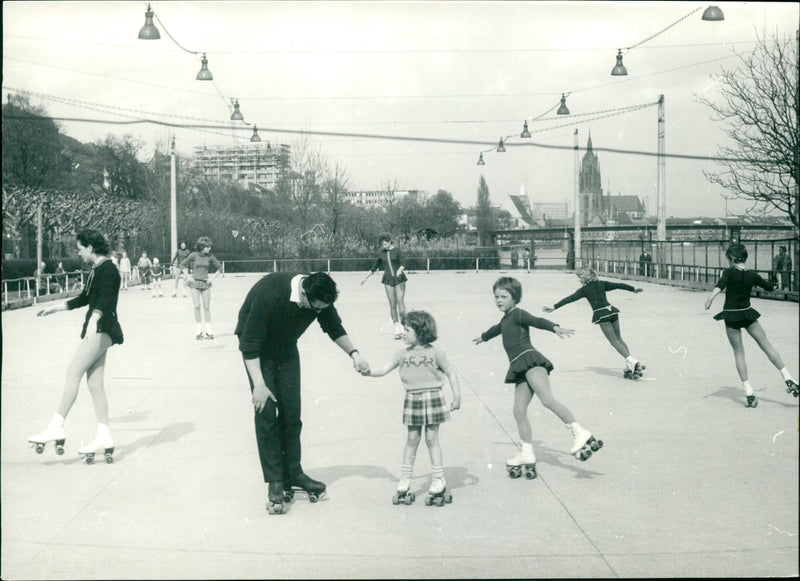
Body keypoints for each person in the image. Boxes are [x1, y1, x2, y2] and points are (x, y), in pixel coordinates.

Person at [235, 271, 371, 515]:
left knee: (291, 411)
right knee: (265, 411)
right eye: (316, 308)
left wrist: (354, 354)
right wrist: (258, 384)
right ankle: (276, 481)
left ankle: (293, 472)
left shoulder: (320, 296)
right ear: (304, 294)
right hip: (258, 348)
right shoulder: (270, 295)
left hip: (286, 345)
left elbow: (333, 326)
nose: (318, 312)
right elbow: (249, 344)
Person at [473, 277, 602, 473]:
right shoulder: (506, 318)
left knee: (547, 400)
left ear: (515, 298)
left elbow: (536, 321)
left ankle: (579, 432)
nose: (499, 300)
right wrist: (484, 336)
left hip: (530, 361)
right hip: (520, 368)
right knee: (518, 410)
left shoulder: (518, 314)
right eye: (496, 297)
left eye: (504, 296)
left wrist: (554, 327)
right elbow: (497, 329)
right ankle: (526, 452)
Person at [28, 229, 124, 463]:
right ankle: (104, 436)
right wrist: (56, 308)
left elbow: (106, 298)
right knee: (94, 384)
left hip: (102, 329)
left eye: (80, 248)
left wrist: (94, 318)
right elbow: (85, 298)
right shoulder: (98, 269)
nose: (78, 253)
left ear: (90, 248)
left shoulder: (109, 269)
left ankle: (56, 426)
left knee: (72, 373)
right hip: (101, 328)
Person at [365, 310, 461, 506]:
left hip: (433, 396)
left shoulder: (435, 352)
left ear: (420, 331)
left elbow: (451, 372)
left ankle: (438, 479)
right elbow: (384, 370)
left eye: (407, 330)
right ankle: (405, 479)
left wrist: (457, 396)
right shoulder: (402, 354)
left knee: (432, 439)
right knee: (412, 439)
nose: (403, 333)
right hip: (413, 399)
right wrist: (368, 372)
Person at [704, 243, 798, 406]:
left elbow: (720, 286)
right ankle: (788, 377)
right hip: (748, 313)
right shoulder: (752, 275)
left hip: (732, 316)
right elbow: (769, 287)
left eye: (728, 259)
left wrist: (710, 298)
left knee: (739, 353)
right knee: (766, 345)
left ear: (732, 259)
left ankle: (749, 393)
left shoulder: (729, 272)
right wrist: (772, 283)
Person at [543, 266, 646, 380]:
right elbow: (618, 285)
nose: (579, 279)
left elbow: (570, 299)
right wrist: (633, 289)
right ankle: (628, 365)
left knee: (614, 342)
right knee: (619, 339)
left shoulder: (584, 290)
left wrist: (554, 307)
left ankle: (634, 362)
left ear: (583, 277)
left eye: (579, 277)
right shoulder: (602, 283)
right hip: (612, 312)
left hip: (602, 315)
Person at [361, 233, 408, 340]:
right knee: (392, 305)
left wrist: (400, 269)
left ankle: (404, 327)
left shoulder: (397, 251)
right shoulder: (381, 253)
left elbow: (403, 262)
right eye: (383, 244)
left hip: (399, 279)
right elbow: (375, 266)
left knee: (401, 304)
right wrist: (366, 277)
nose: (384, 246)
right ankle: (397, 327)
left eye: (386, 244)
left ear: (390, 242)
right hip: (388, 280)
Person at [180, 236, 222, 339]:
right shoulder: (194, 255)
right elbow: (182, 265)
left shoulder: (210, 256)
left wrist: (211, 279)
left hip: (205, 284)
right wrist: (189, 277)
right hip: (194, 284)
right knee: (197, 306)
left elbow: (220, 268)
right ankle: (198, 329)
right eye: (207, 247)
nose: (209, 249)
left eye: (209, 247)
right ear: (202, 247)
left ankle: (208, 329)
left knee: (206, 307)